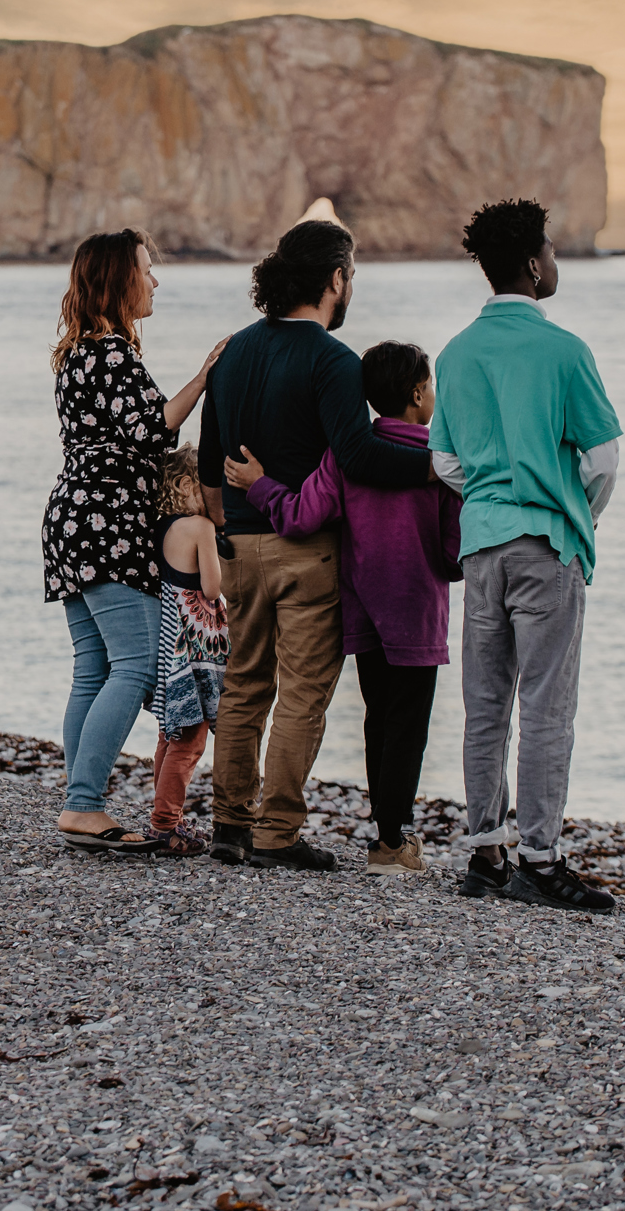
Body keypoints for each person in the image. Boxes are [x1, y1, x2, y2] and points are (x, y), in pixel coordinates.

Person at [195, 219, 435, 871]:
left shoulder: (233, 352)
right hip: (306, 552)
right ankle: (276, 833)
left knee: (244, 686)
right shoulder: (333, 361)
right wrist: (437, 469)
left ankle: (228, 825)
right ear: (334, 279)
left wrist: (224, 529)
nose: (350, 286)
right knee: (302, 694)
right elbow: (357, 457)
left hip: (240, 544)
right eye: (350, 274)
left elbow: (210, 463)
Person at [429, 199, 622, 912]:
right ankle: (539, 858)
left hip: (481, 546)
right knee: (546, 705)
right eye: (551, 250)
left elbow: (444, 460)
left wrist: (489, 494)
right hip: (545, 544)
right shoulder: (565, 351)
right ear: (534, 265)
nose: (555, 260)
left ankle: (485, 853)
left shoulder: (454, 354)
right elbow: (602, 460)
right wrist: (572, 512)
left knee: (485, 704)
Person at [223, 340, 461, 874]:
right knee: (408, 726)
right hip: (418, 613)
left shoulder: (348, 453)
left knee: (379, 719)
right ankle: (391, 842)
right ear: (417, 394)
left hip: (364, 611)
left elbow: (300, 517)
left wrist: (260, 486)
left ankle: (385, 835)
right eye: (431, 387)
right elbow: (453, 555)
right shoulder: (439, 462)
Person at [42, 229, 226, 852]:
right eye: (146, 270)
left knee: (93, 667)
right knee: (138, 664)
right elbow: (152, 430)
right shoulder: (112, 353)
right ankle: (83, 805)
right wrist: (204, 377)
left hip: (71, 517)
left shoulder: (76, 353)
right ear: (120, 279)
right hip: (109, 519)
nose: (155, 280)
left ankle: (81, 801)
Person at [145, 446, 225, 858]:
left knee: (170, 731)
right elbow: (211, 588)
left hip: (169, 644)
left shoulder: (162, 526)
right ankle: (165, 824)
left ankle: (166, 817)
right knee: (191, 741)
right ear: (185, 485)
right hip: (196, 647)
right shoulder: (200, 527)